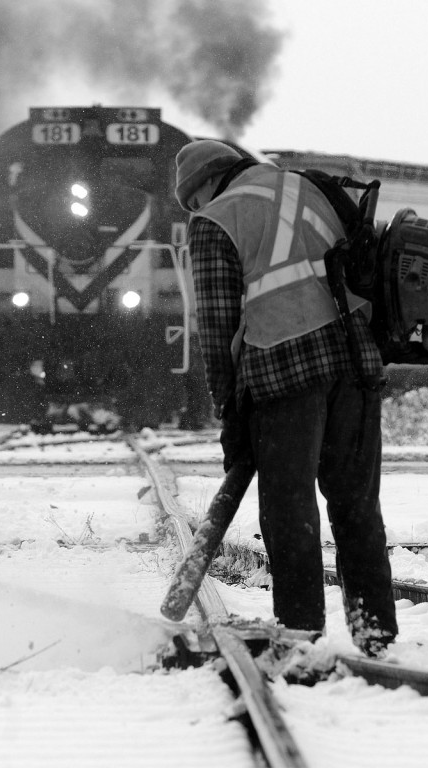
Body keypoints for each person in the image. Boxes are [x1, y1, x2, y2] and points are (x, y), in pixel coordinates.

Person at [173, 139, 397, 656]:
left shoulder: (216, 219)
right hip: (355, 363)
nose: (194, 210)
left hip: (282, 371)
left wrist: (228, 411)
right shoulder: (308, 186)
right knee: (356, 504)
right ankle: (375, 632)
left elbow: (216, 327)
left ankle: (299, 632)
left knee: (289, 509)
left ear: (204, 184)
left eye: (191, 200)